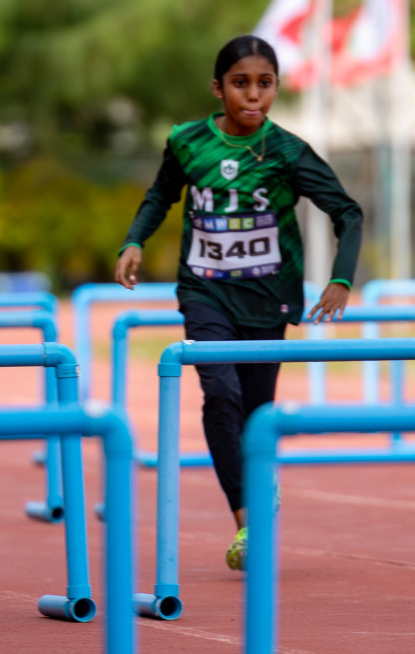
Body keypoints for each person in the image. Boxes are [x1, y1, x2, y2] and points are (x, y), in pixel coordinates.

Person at [114, 34, 361, 569]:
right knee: (219, 394)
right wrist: (135, 239)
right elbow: (162, 194)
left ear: (276, 88)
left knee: (256, 414)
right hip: (204, 292)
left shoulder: (287, 152)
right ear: (218, 89)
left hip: (268, 298)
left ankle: (261, 481)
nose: (253, 96)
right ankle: (248, 522)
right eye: (241, 84)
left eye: (265, 84)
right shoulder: (187, 141)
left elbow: (348, 212)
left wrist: (341, 279)